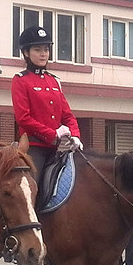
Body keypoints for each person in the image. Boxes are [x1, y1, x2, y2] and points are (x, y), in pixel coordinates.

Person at [11, 26, 83, 178]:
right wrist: (53, 134)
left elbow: (67, 115)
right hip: (34, 148)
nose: (43, 54)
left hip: (56, 148)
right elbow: (23, 118)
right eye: (37, 50)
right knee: (32, 189)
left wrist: (75, 135)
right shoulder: (20, 80)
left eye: (46, 49)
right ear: (26, 53)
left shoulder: (54, 81)